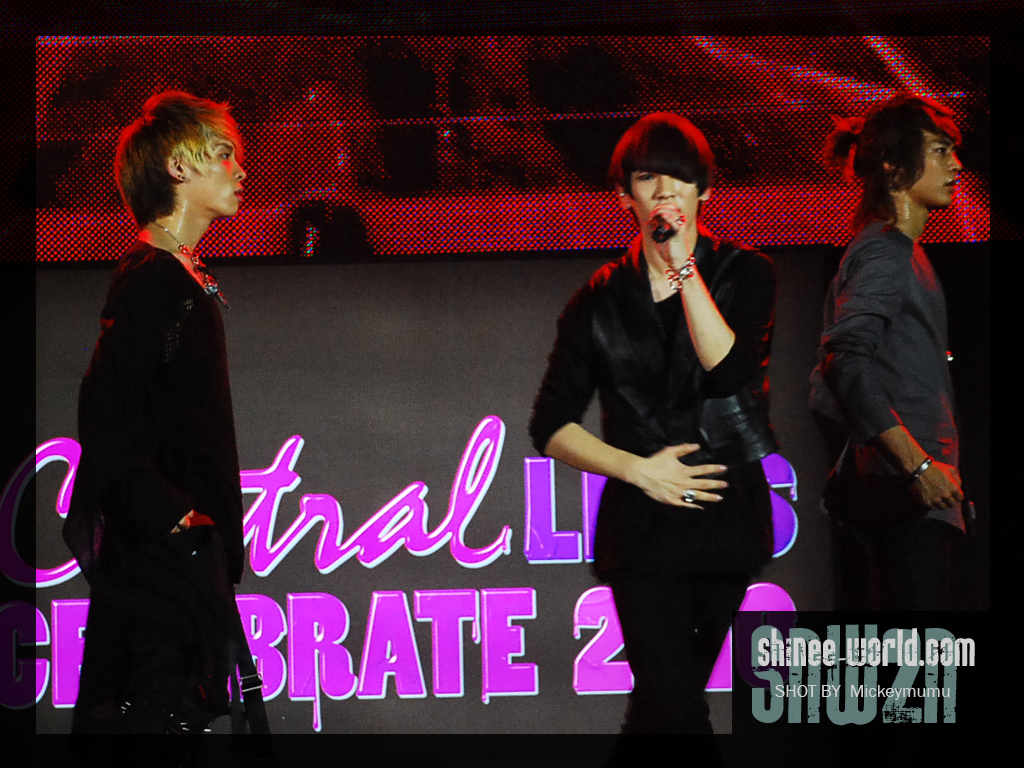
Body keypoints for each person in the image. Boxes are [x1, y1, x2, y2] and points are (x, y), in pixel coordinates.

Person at [529, 113, 777, 742]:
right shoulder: (597, 301)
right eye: (647, 178)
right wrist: (639, 471)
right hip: (643, 533)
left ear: (704, 190)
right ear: (625, 196)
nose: (666, 191)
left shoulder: (745, 274)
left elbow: (729, 372)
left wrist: (684, 270)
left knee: (660, 716)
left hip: (725, 521)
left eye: (680, 177)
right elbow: (550, 424)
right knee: (676, 711)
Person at [64, 91, 265, 751]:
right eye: (224, 153)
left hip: (179, 565)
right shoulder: (153, 281)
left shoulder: (179, 277)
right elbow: (107, 413)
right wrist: (177, 519)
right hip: (161, 571)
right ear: (178, 166)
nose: (241, 169)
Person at [810, 92, 970, 611]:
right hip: (904, 497)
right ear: (895, 168)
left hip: (912, 495)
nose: (956, 165)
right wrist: (918, 467)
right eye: (941, 151)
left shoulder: (901, 252)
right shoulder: (884, 251)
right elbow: (844, 360)